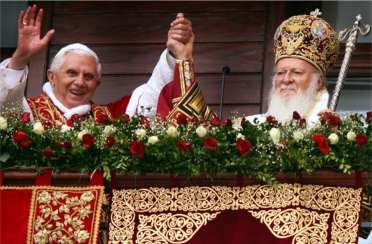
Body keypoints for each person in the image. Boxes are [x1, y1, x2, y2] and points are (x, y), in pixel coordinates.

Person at [0, 5, 213, 127]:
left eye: (89, 76)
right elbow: (5, 109)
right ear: (51, 76)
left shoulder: (111, 118)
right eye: (71, 73)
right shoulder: (28, 111)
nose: (80, 82)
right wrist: (19, 60)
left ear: (97, 83)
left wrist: (175, 53)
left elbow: (154, 92)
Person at [246, 9, 339, 125]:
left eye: (297, 72)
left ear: (319, 81)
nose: (286, 79)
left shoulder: (330, 130)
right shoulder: (250, 126)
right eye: (280, 72)